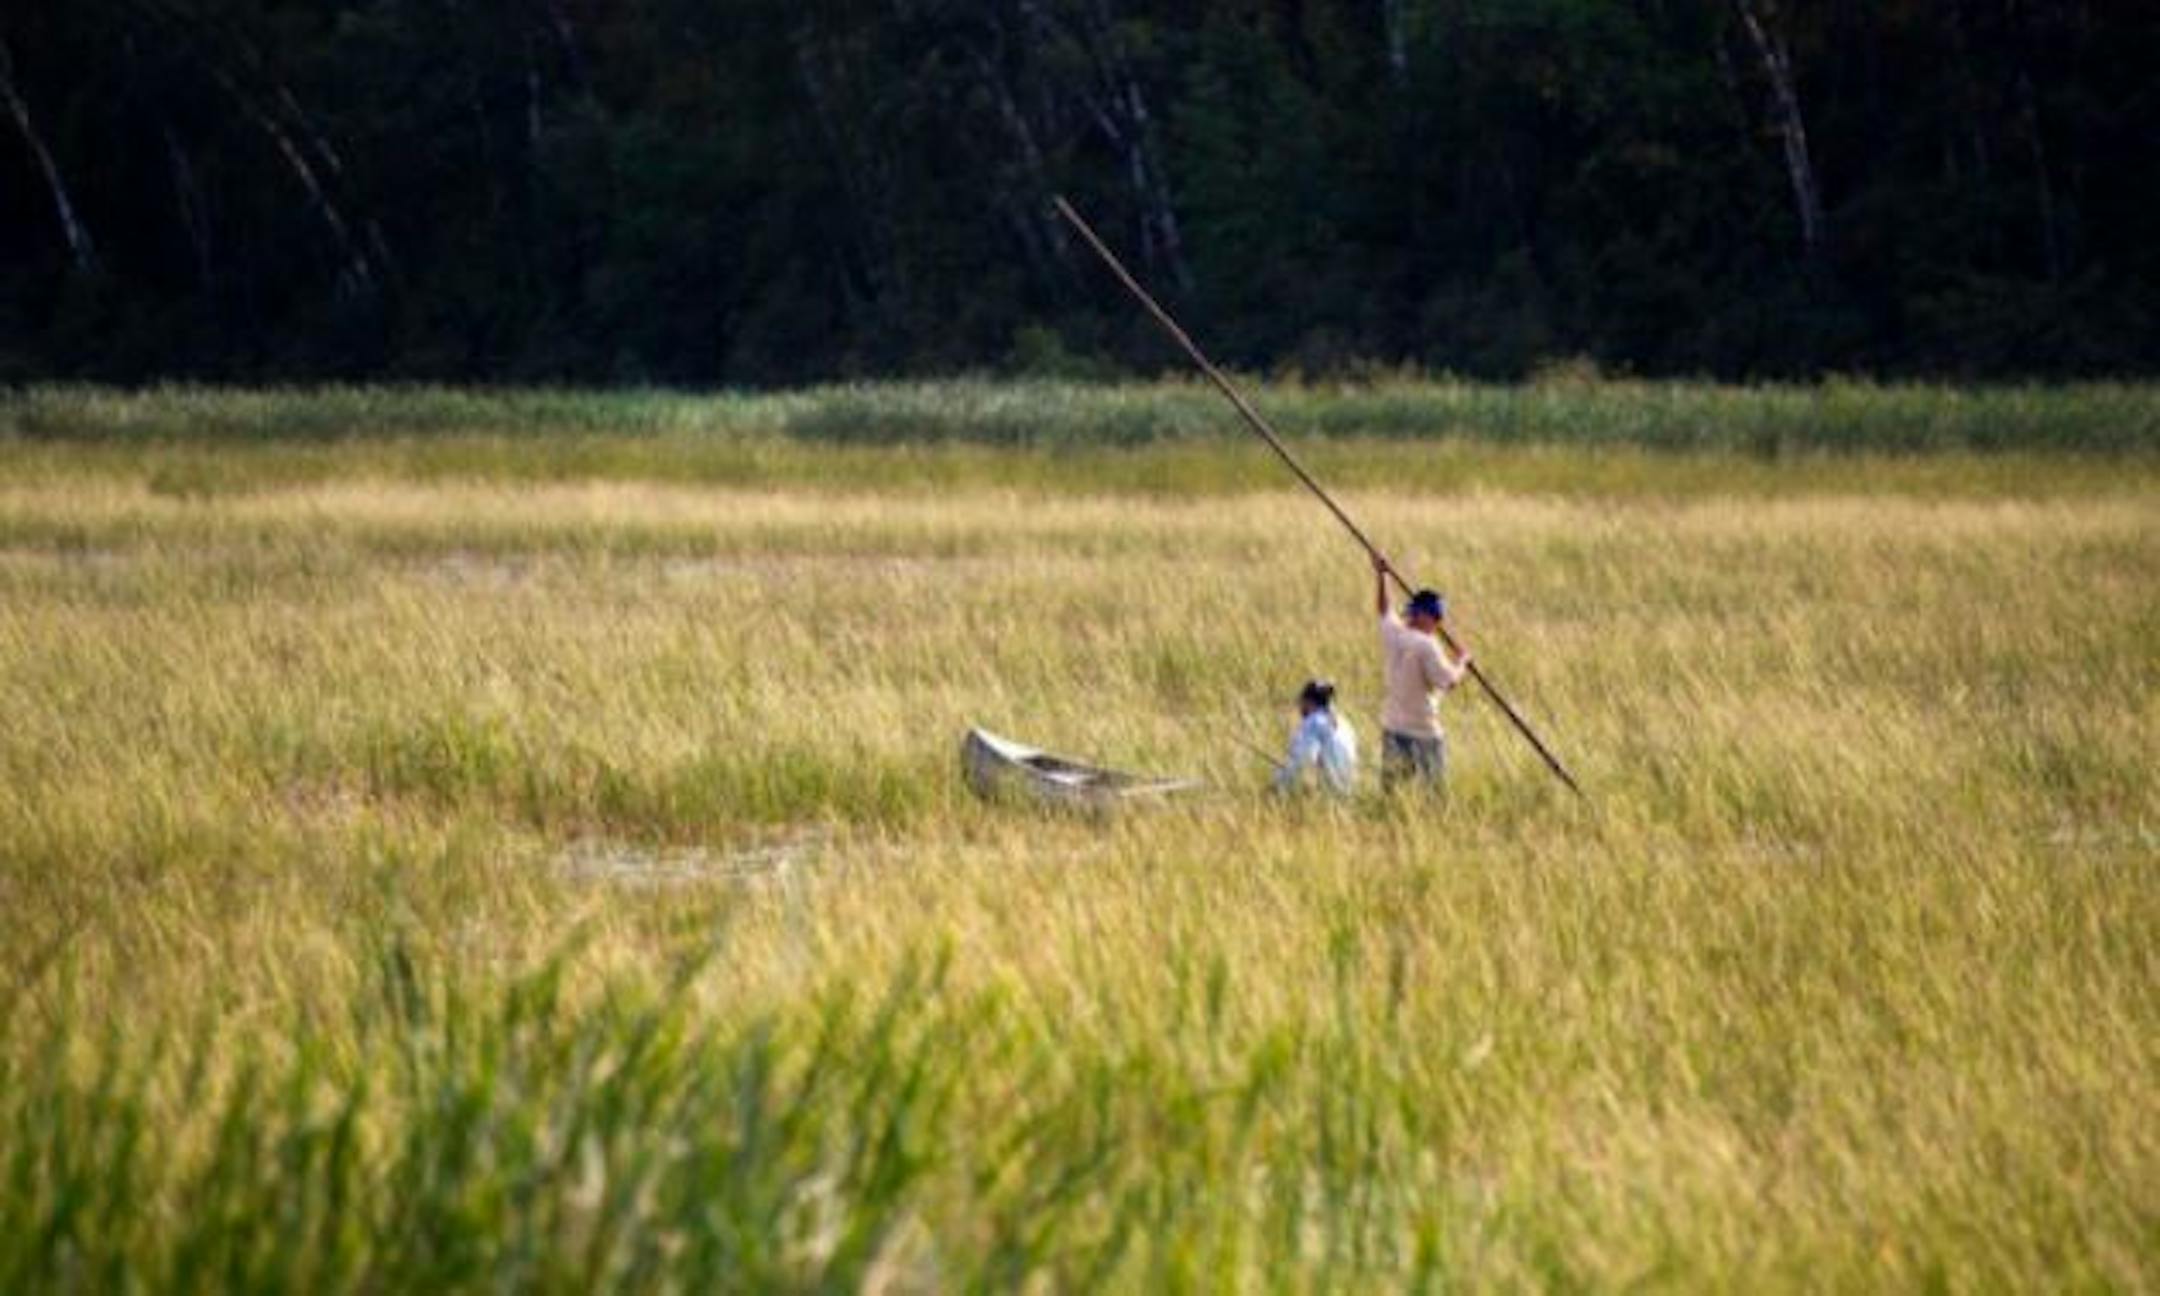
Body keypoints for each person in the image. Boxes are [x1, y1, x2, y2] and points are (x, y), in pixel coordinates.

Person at [1373, 554, 1471, 790]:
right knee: (1434, 796)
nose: (1439, 623)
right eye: (1437, 618)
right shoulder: (1427, 645)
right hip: (1423, 731)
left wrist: (1382, 575)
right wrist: (1463, 662)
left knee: (1393, 793)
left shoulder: (1395, 634)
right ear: (1427, 617)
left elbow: (1384, 609)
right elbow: (1448, 682)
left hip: (1393, 727)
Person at [1273, 678, 1358, 797]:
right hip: (1348, 791)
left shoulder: (1312, 723)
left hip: (1329, 794)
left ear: (1309, 702)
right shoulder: (1345, 724)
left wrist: (1279, 782)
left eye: (1301, 702)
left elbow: (1302, 760)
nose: (1300, 707)